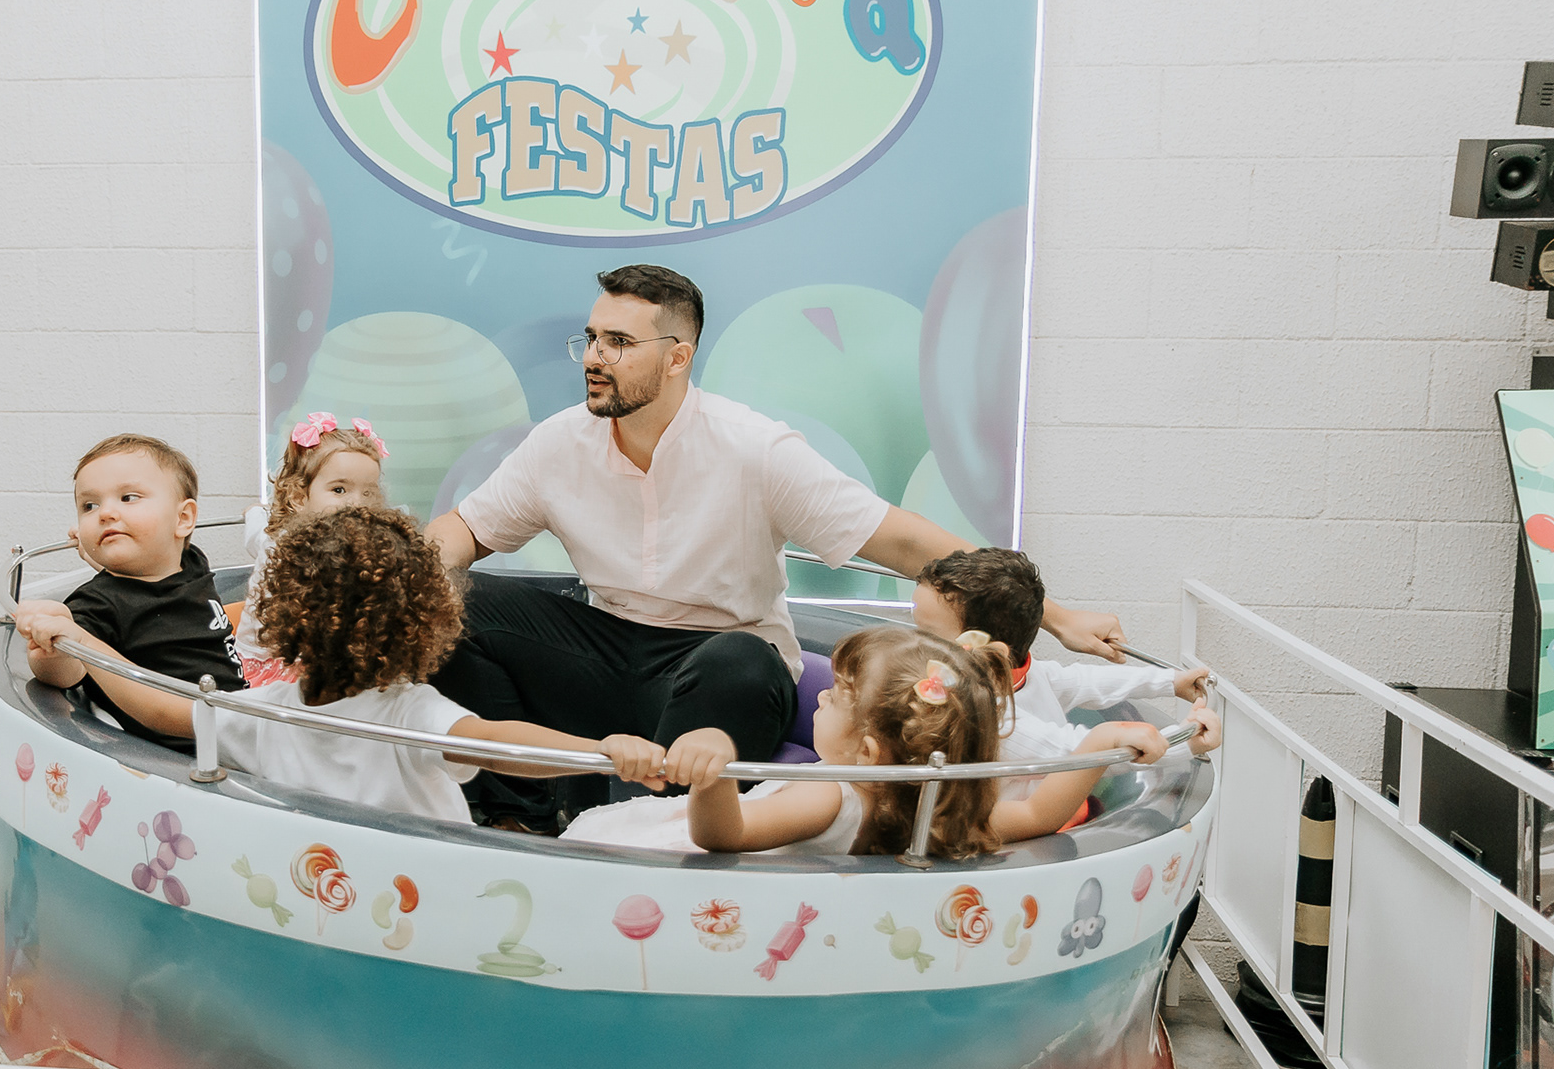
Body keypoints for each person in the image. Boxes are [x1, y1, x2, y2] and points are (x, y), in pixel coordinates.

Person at [425, 263, 1126, 832]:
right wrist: (397, 582)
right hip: (607, 646)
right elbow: (462, 532)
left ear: (677, 358)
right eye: (591, 339)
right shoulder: (557, 442)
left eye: (618, 343)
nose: (594, 359)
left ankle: (667, 835)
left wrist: (1060, 619)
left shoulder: (756, 449)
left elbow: (901, 539)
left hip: (723, 660)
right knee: (455, 606)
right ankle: (520, 819)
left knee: (739, 659)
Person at [565, 625, 1221, 856]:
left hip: (679, 870)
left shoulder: (832, 796)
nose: (819, 696)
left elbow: (722, 837)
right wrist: (1098, 742)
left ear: (870, 753)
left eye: (835, 695)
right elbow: (1042, 814)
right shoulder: (941, 807)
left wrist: (715, 771)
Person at [211, 506, 669, 822]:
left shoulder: (272, 711)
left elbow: (493, 742)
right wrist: (599, 752)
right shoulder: (398, 712)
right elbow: (492, 742)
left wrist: (599, 754)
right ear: (418, 624)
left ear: (284, 612)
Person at [910, 547, 1207, 800]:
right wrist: (1171, 690)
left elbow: (1080, 750)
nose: (910, 644)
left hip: (1031, 837)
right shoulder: (1005, 679)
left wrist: (1181, 723)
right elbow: (1084, 691)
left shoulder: (993, 721)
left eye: (927, 636)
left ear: (989, 654)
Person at [14, 434, 244, 753]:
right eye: (89, 506)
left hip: (240, 720)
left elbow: (145, 581)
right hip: (187, 750)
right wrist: (51, 648)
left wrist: (107, 557)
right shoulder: (97, 603)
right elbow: (68, 672)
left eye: (128, 497)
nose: (105, 513)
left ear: (182, 519)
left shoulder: (191, 563)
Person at [234, 413, 388, 686]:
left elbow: (256, 536)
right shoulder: (294, 552)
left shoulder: (351, 542)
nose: (357, 504)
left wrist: (255, 512)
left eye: (368, 493)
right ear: (299, 497)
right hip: (274, 667)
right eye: (339, 490)